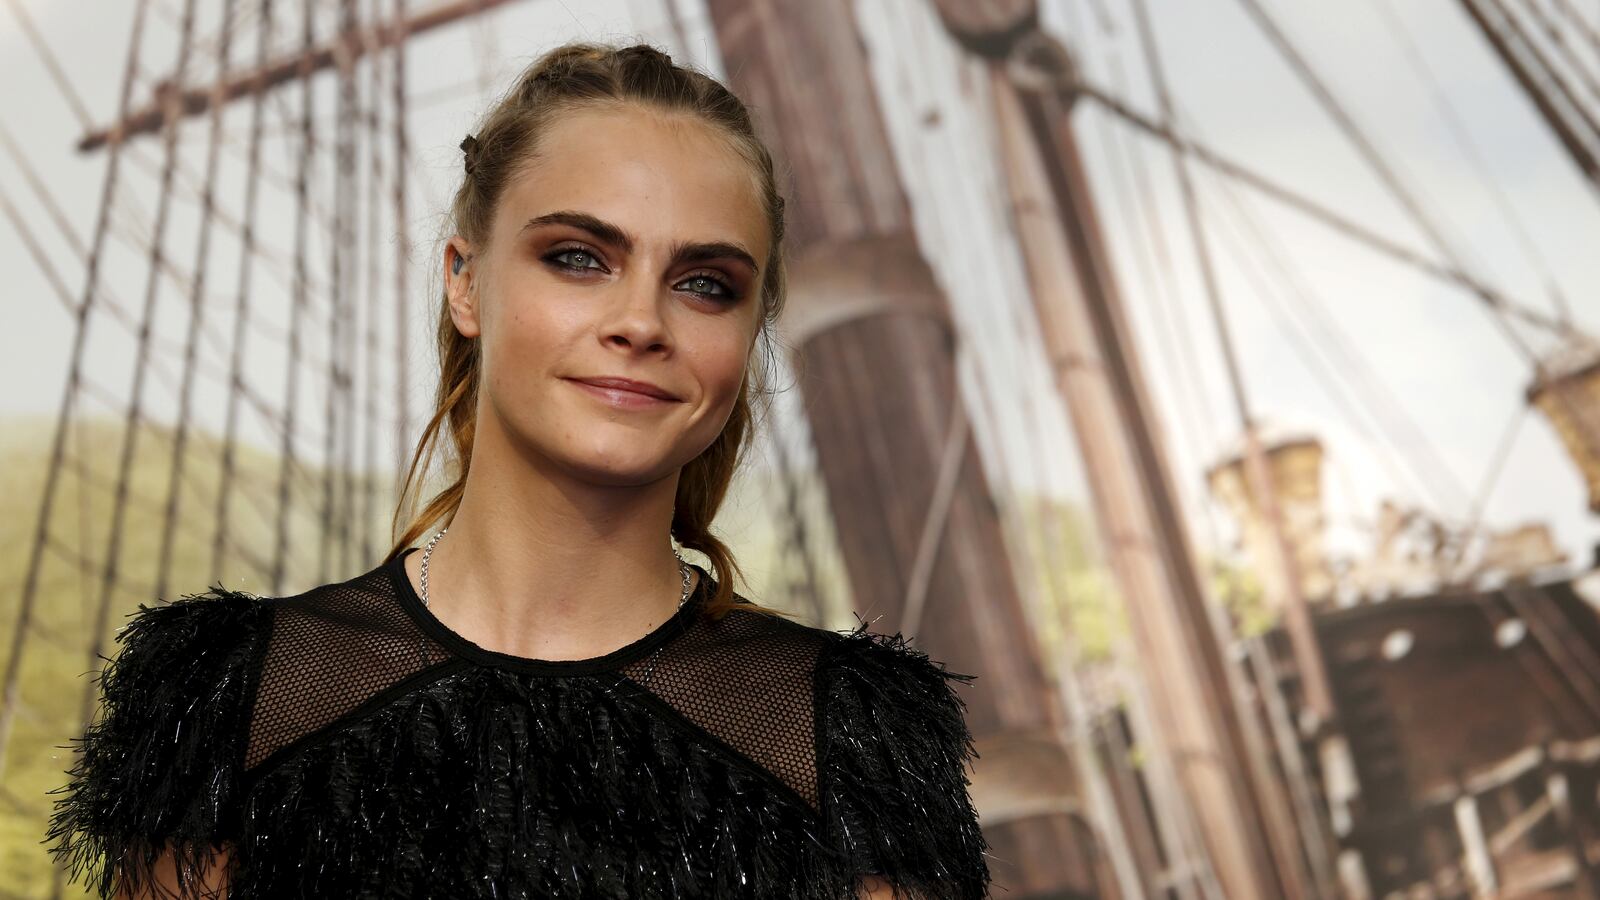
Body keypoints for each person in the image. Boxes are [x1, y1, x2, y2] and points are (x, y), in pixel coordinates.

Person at [46, 40, 991, 899]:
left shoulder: (844, 738)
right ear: (465, 279)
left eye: (706, 284)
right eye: (578, 258)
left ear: (748, 333)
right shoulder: (239, 698)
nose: (641, 322)